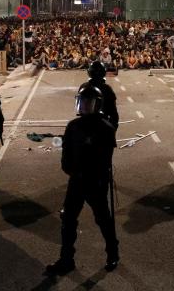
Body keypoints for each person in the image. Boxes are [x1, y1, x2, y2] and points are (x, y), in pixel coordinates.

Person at [46, 85, 119, 276]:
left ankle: (112, 252)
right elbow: (66, 150)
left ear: (97, 104)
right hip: (76, 181)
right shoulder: (73, 126)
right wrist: (68, 167)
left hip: (95, 182)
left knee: (103, 219)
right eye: (82, 102)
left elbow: (105, 158)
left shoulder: (105, 127)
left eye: (89, 103)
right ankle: (66, 259)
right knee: (68, 220)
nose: (85, 106)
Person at [80, 61, 119, 130]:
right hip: (101, 122)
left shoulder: (83, 86)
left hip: (86, 122)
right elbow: (113, 113)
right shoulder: (107, 88)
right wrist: (112, 128)